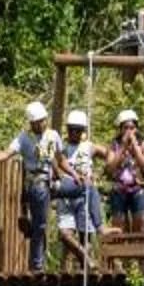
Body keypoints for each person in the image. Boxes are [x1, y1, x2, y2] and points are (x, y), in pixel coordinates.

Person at [9, 99, 57, 271]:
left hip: (50, 181)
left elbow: (57, 159)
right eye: (37, 122)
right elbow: (9, 152)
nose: (41, 124)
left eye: (43, 120)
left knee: (41, 223)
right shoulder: (24, 137)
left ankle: (38, 259)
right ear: (32, 123)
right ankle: (36, 264)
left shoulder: (52, 135)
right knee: (40, 224)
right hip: (36, 183)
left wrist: (67, 176)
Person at [50, 108, 101, 262]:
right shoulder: (62, 149)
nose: (74, 133)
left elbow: (109, 155)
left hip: (84, 196)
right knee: (65, 235)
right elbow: (53, 163)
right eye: (71, 129)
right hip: (66, 196)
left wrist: (101, 174)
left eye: (77, 130)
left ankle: (84, 267)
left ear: (83, 130)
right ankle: (84, 261)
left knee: (85, 237)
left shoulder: (89, 147)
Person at [105, 109, 144, 239]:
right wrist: (123, 148)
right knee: (119, 223)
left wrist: (136, 150)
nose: (129, 131)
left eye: (132, 128)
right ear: (120, 129)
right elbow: (110, 168)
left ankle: (138, 248)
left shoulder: (143, 144)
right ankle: (121, 248)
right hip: (119, 188)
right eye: (126, 128)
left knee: (141, 222)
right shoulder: (114, 145)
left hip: (138, 187)